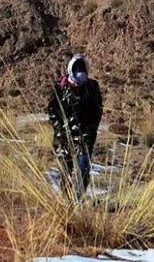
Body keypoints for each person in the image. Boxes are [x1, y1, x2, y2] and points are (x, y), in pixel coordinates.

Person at [47, 54, 103, 201]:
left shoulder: (92, 87)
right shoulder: (60, 87)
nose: (80, 73)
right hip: (64, 136)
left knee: (83, 167)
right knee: (66, 169)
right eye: (77, 69)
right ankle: (67, 200)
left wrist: (89, 131)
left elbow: (97, 111)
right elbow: (52, 111)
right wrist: (61, 128)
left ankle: (78, 198)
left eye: (82, 69)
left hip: (85, 136)